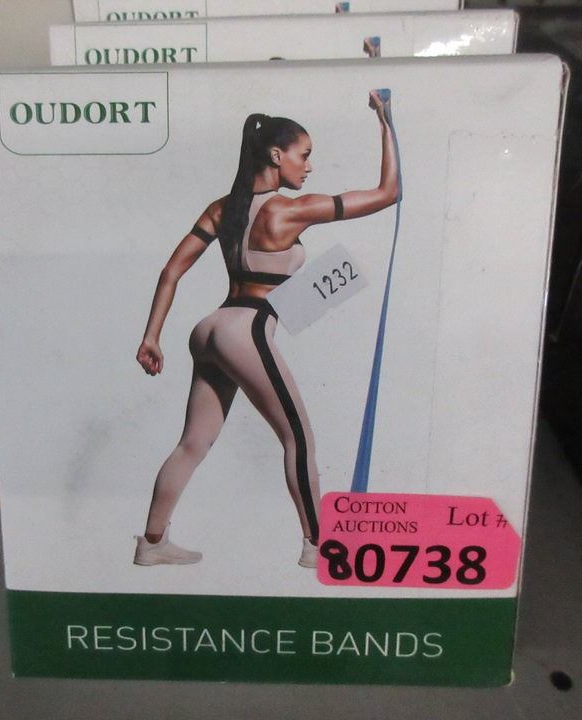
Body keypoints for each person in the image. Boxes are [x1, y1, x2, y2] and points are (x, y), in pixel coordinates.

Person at [134, 91, 400, 568]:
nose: (309, 167)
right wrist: (386, 121)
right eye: (305, 155)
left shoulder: (222, 209)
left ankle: (151, 543)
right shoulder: (288, 211)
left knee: (192, 443)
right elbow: (388, 193)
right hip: (247, 331)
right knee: (299, 438)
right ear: (277, 156)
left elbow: (171, 271)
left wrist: (151, 336)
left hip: (210, 328)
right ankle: (317, 547)